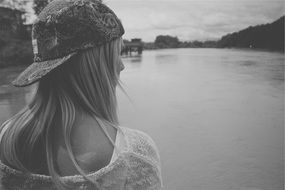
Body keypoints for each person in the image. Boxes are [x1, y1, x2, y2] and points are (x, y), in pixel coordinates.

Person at [0, 0, 163, 189]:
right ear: (95, 65)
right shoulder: (135, 154)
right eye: (117, 54)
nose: (122, 65)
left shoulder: (7, 137)